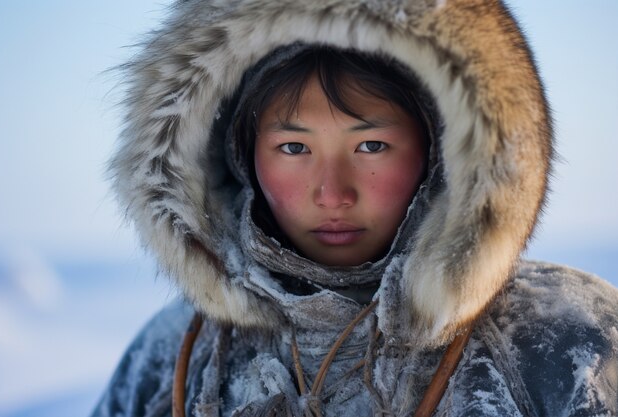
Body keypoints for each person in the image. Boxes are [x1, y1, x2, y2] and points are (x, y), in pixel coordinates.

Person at [92, 1, 618, 416]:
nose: (332, 194)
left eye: (371, 147)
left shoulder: (568, 339)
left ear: (442, 152)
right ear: (241, 159)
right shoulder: (173, 357)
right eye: (294, 149)